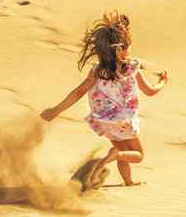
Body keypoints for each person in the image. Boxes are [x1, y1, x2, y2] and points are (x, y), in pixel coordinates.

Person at [40, 11, 169, 186]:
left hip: (103, 120)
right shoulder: (131, 67)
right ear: (122, 48)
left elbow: (78, 92)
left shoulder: (97, 71)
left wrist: (55, 111)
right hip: (124, 121)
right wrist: (162, 82)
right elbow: (150, 91)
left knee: (121, 149)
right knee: (137, 155)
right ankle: (111, 157)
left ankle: (128, 181)